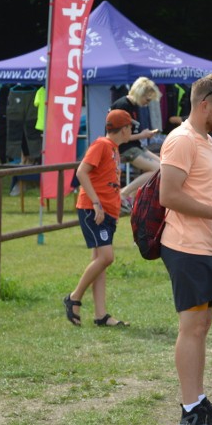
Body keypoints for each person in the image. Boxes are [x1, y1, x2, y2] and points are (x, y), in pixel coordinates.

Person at [158, 73, 212, 425]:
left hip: (205, 244)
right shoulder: (181, 141)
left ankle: (199, 400)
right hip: (184, 246)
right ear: (203, 104)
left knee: (202, 327)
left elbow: (206, 196)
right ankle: (189, 409)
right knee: (191, 328)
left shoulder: (204, 139)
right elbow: (169, 196)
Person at [63, 110, 132, 329]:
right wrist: (95, 202)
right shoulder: (102, 145)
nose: (132, 130)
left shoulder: (113, 147)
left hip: (107, 211)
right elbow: (81, 172)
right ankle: (73, 297)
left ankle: (101, 315)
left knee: (99, 261)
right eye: (131, 127)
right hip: (94, 210)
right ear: (124, 129)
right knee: (106, 257)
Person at [110, 77, 162, 200]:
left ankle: (132, 195)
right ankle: (124, 193)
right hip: (125, 147)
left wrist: (142, 135)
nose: (147, 103)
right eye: (147, 99)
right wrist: (143, 135)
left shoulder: (133, 105)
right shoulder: (123, 106)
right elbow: (118, 137)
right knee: (158, 169)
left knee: (164, 166)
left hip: (134, 145)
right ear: (140, 93)